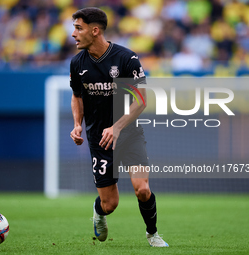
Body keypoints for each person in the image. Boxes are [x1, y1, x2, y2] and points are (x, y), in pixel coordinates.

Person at [69, 7, 168, 247]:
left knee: (142, 189)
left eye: (78, 28)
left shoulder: (125, 59)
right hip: (100, 139)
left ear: (94, 30)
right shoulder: (77, 63)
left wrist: (118, 126)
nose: (73, 34)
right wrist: (77, 125)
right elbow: (77, 96)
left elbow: (141, 99)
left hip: (129, 134)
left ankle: (153, 234)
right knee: (110, 204)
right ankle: (98, 211)